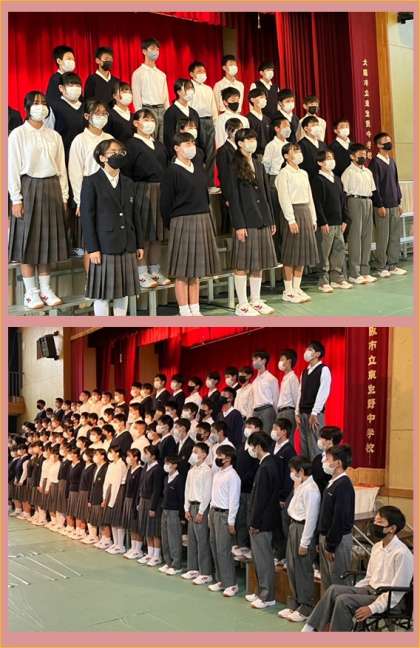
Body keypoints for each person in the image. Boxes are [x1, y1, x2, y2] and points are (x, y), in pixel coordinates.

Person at [303, 506, 413, 633]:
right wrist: (354, 591)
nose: (374, 525)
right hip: (370, 590)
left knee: (343, 600)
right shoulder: (377, 547)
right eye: (374, 521)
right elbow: (369, 577)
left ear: (392, 528)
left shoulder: (402, 554)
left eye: (379, 522)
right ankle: (309, 629)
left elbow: (397, 593)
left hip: (390, 600)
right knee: (334, 590)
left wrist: (372, 608)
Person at [8, 90, 69, 309]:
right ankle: (30, 292)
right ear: (26, 107)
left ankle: (45, 289)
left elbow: (61, 167)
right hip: (28, 187)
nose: (40, 106)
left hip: (52, 187)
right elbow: (12, 167)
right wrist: (16, 198)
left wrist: (64, 196)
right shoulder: (18, 134)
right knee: (28, 243)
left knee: (47, 244)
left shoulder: (54, 136)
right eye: (35, 103)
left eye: (43, 102)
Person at [80, 138, 144, 316]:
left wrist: (139, 244)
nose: (118, 155)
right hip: (104, 246)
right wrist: (92, 248)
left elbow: (135, 214)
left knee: (123, 292)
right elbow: (87, 217)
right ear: (102, 157)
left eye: (121, 152)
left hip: (127, 243)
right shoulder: (91, 181)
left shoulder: (129, 182)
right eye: (113, 152)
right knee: (102, 294)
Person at [160, 132, 221, 315]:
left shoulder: (198, 167)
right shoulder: (172, 171)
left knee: (196, 270)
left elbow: (204, 194)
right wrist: (173, 223)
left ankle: (195, 307)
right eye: (186, 144)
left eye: (192, 143)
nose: (191, 147)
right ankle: (184, 309)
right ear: (176, 148)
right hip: (182, 220)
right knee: (182, 270)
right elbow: (165, 203)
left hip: (202, 218)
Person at [229, 128, 277, 316]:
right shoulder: (233, 165)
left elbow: (265, 194)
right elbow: (233, 198)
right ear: (240, 143)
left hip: (262, 218)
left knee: (258, 263)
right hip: (246, 220)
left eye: (254, 139)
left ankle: (256, 300)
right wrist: (239, 224)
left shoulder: (258, 164)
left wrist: (270, 219)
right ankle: (242, 304)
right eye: (248, 140)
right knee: (242, 263)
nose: (252, 143)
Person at [124, 108, 170, 288]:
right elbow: (126, 173)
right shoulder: (131, 144)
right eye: (146, 119)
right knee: (143, 232)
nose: (150, 123)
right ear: (136, 123)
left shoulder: (159, 145)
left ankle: (155, 270)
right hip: (141, 190)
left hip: (160, 190)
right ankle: (141, 272)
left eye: (152, 119)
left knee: (157, 233)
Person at [68, 98, 113, 257]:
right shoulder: (80, 140)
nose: (102, 117)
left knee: (108, 235)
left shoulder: (109, 138)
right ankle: (90, 273)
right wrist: (80, 200)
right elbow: (75, 172)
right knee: (91, 243)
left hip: (109, 191)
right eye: (97, 113)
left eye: (104, 113)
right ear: (87, 116)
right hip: (89, 192)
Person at [275, 142, 319, 304]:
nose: (298, 153)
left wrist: (313, 217)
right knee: (291, 252)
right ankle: (288, 290)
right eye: (294, 150)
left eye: (299, 150)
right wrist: (290, 219)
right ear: (286, 156)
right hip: (292, 212)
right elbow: (284, 198)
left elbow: (309, 196)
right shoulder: (283, 174)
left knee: (302, 252)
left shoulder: (303, 173)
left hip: (305, 211)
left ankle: (297, 287)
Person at [279, 456, 321, 623]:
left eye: (292, 471)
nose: (291, 474)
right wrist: (296, 487)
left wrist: (305, 542)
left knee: (303, 570)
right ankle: (294, 604)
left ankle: (306, 607)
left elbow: (311, 518)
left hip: (303, 529)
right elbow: (292, 508)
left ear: (301, 471)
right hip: (294, 526)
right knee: (292, 567)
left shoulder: (311, 489)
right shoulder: (301, 485)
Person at [245, 432, 280, 609]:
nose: (251, 450)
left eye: (252, 446)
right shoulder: (267, 464)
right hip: (263, 520)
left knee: (264, 559)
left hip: (263, 522)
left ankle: (267, 596)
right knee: (258, 558)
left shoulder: (267, 466)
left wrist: (255, 522)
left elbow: (261, 498)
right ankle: (261, 591)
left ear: (258, 446)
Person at [312, 149, 352, 292]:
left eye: (332, 157)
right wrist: (322, 222)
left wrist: (345, 219)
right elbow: (317, 203)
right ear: (320, 162)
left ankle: (337, 278)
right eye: (328, 158)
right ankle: (323, 280)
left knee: (338, 250)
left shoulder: (337, 179)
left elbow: (342, 201)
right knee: (324, 252)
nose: (331, 160)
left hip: (338, 222)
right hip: (326, 224)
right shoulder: (318, 180)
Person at [317, 445, 355, 592]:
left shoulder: (343, 484)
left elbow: (339, 517)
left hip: (336, 540)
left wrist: (331, 545)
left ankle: (338, 607)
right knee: (327, 580)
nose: (324, 462)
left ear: (338, 463)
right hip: (326, 537)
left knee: (338, 581)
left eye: (328, 459)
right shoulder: (332, 482)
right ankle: (327, 607)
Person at [369, 132, 407, 277]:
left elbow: (396, 183)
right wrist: (379, 205)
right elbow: (375, 186)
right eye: (385, 140)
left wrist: (399, 202)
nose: (389, 142)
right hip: (382, 206)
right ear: (379, 145)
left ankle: (393, 264)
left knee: (394, 236)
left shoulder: (392, 161)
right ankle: (381, 266)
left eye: (389, 140)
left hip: (394, 204)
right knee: (382, 237)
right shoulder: (375, 163)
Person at [341, 143, 377, 285]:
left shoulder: (368, 172)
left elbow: (372, 189)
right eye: (360, 154)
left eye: (364, 154)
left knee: (367, 237)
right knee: (355, 237)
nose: (363, 156)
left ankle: (365, 271)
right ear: (352, 156)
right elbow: (344, 193)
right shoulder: (348, 172)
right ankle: (354, 273)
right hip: (354, 201)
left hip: (368, 201)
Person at [208, 445, 241, 597]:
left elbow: (234, 500)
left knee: (223, 550)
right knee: (215, 547)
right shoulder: (218, 474)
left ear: (228, 458)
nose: (217, 458)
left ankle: (231, 584)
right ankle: (221, 579)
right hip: (214, 512)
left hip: (224, 514)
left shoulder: (233, 476)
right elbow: (214, 494)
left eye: (219, 455)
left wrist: (231, 521)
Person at [182, 442, 213, 584]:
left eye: (196, 451)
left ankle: (205, 572)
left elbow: (207, 492)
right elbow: (187, 490)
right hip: (191, 506)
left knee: (202, 540)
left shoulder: (207, 471)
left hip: (201, 507)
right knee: (192, 539)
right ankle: (193, 568)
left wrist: (201, 512)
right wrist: (186, 508)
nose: (193, 454)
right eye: (193, 451)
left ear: (204, 454)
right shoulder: (191, 471)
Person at [296, 341, 332, 461]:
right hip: (303, 413)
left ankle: (317, 470)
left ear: (317, 354)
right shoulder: (304, 372)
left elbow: (323, 392)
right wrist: (297, 412)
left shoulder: (323, 369)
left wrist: (315, 412)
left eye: (310, 350)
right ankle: (306, 471)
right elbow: (300, 392)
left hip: (314, 414)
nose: (306, 352)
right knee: (304, 447)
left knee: (316, 447)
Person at [131, 37, 170, 142]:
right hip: (147, 110)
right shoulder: (138, 73)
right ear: (144, 51)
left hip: (162, 110)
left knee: (162, 141)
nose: (155, 52)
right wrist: (140, 116)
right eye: (152, 49)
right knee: (149, 140)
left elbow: (166, 97)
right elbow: (136, 97)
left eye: (157, 49)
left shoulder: (161, 74)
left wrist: (168, 113)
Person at [231, 421, 259, 560]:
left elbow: (256, 469)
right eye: (246, 426)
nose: (247, 429)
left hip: (250, 490)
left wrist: (243, 480)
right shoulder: (240, 447)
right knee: (240, 519)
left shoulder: (257, 449)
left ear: (258, 429)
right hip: (238, 490)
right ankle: (242, 546)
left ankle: (251, 548)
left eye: (250, 426)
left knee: (249, 520)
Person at [188, 60, 218, 188]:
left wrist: (215, 122)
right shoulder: (189, 88)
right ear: (191, 74)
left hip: (208, 121)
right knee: (197, 152)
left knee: (211, 153)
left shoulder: (208, 89)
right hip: (196, 121)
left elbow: (213, 107)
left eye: (204, 71)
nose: (202, 73)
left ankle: (210, 183)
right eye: (199, 71)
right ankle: (198, 182)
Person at [271, 417, 296, 562]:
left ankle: (284, 555)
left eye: (276, 429)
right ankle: (276, 551)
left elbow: (289, 476)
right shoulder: (272, 447)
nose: (273, 431)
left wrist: (283, 496)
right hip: (272, 493)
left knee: (282, 525)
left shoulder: (289, 451)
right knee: (274, 524)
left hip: (282, 495)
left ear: (284, 432)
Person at [137, 444, 165, 566]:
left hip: (153, 502)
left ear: (153, 456)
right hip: (143, 500)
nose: (144, 456)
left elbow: (157, 490)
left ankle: (157, 555)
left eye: (146, 453)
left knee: (154, 529)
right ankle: (150, 553)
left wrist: (153, 507)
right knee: (146, 528)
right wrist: (139, 501)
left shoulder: (158, 469)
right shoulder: (145, 467)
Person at [159, 456, 185, 575]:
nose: (166, 465)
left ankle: (176, 565)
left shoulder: (179, 479)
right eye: (166, 463)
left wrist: (182, 516)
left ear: (175, 465)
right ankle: (168, 562)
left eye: (169, 463)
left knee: (174, 538)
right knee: (165, 538)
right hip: (165, 510)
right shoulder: (166, 478)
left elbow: (181, 498)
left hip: (174, 512)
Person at [163, 78, 201, 157]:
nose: (190, 91)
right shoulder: (170, 112)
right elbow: (169, 138)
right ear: (178, 92)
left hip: (194, 153)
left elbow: (199, 136)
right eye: (187, 88)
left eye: (191, 88)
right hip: (179, 155)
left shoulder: (194, 113)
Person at [51, 72, 84, 162]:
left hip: (84, 155)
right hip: (63, 156)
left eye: (78, 85)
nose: (75, 88)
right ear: (61, 88)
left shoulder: (86, 107)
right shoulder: (54, 107)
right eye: (71, 85)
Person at [101, 445, 128, 554]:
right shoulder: (111, 465)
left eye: (111, 452)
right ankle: (115, 543)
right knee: (112, 519)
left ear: (117, 453)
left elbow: (117, 483)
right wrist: (105, 497)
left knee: (118, 519)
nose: (110, 454)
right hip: (111, 491)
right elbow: (107, 481)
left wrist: (112, 501)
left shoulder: (121, 464)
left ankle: (120, 545)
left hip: (118, 492)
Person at [216, 117, 242, 219]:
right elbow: (223, 176)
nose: (239, 133)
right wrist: (227, 197)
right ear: (228, 131)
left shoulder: (242, 148)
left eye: (240, 129)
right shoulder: (223, 150)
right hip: (232, 192)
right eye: (235, 130)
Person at [120, 448, 143, 559]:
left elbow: (139, 488)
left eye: (130, 456)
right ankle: (133, 548)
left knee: (136, 525)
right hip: (127, 499)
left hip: (134, 500)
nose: (127, 458)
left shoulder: (140, 470)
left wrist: (137, 502)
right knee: (130, 525)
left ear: (136, 457)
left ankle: (138, 549)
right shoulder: (130, 469)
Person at [251, 351, 279, 434]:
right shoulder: (254, 381)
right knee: (255, 436)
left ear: (264, 361)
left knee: (266, 435)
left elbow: (276, 398)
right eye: (253, 360)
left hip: (267, 410)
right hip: (255, 411)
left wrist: (277, 415)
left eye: (256, 359)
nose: (254, 362)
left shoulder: (271, 378)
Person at [312, 426, 343, 495]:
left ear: (330, 440)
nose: (319, 440)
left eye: (321, 437)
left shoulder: (338, 460)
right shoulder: (318, 458)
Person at [88, 449, 109, 546]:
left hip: (101, 496)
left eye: (96, 455)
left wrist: (104, 498)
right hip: (94, 495)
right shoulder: (96, 467)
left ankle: (107, 539)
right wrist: (90, 499)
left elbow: (105, 485)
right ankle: (101, 538)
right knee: (98, 519)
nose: (94, 457)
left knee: (103, 519)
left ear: (102, 456)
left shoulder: (106, 468)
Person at [246, 88, 272, 157]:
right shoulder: (247, 119)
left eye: (265, 98)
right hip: (255, 155)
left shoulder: (267, 119)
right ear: (252, 100)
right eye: (261, 97)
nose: (264, 100)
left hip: (268, 154)